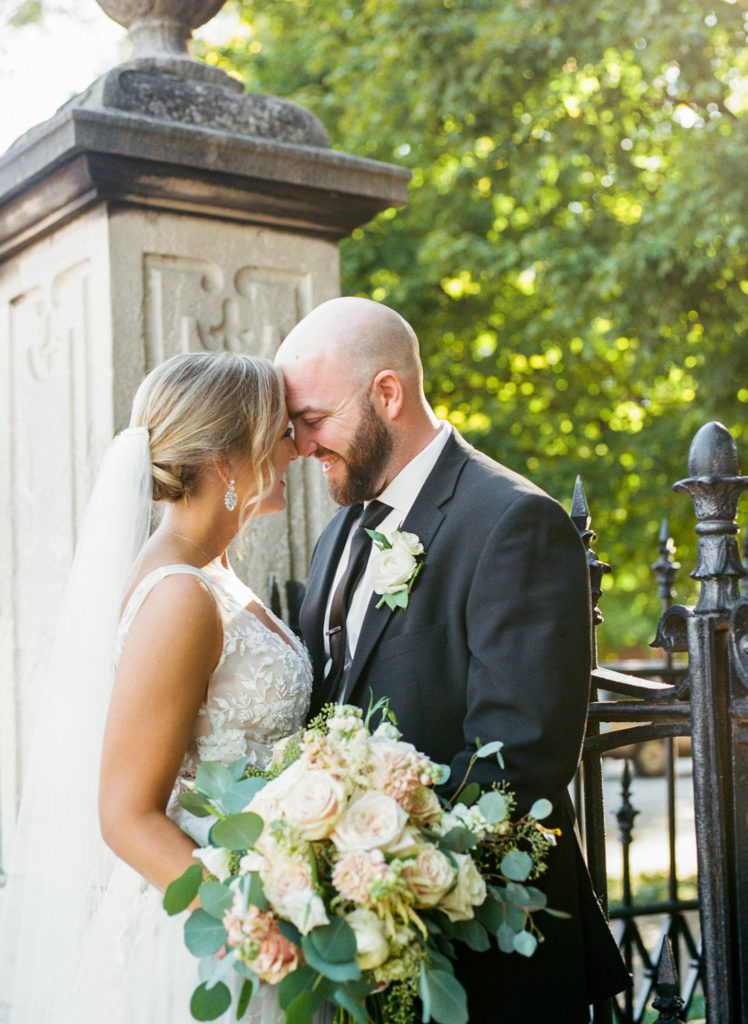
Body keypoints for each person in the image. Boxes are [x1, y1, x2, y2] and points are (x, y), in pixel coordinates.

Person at [275, 296, 631, 1023]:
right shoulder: (339, 532)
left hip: (489, 959)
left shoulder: (511, 521)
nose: (303, 447)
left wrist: (384, 886)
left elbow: (520, 763)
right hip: (371, 954)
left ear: (387, 394)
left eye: (313, 420)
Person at [0, 351, 311, 1024]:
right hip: (214, 941)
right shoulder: (179, 594)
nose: (299, 447)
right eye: (282, 430)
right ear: (228, 459)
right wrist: (254, 922)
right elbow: (126, 815)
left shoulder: (213, 572)